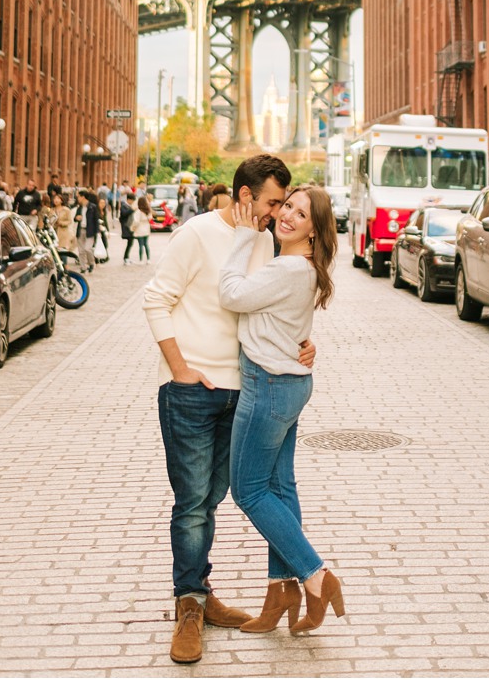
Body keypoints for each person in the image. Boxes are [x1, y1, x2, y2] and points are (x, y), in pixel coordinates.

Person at [142, 154, 313, 664]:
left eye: (284, 204)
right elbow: (156, 299)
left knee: (216, 495)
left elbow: (274, 305)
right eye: (271, 202)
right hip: (191, 389)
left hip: (245, 391)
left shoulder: (265, 240)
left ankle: (202, 592)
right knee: (193, 501)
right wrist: (179, 368)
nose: (277, 212)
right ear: (245, 197)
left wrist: (304, 344)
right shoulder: (196, 234)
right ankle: (188, 605)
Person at [221, 185, 345, 636]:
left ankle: (316, 576)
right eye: (287, 206)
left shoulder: (289, 267)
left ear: (314, 231)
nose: (288, 216)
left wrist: (240, 235)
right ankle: (281, 589)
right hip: (290, 382)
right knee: (280, 487)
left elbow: (231, 295)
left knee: (248, 491)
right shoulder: (303, 267)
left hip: (268, 386)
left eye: (300, 214)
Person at [132, 196, 154, 264]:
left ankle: (141, 260)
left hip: (140, 229)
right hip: (146, 228)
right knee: (146, 244)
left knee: (140, 245)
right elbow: (150, 218)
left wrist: (133, 228)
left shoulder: (138, 211)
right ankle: (148, 259)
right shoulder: (148, 210)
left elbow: (136, 221)